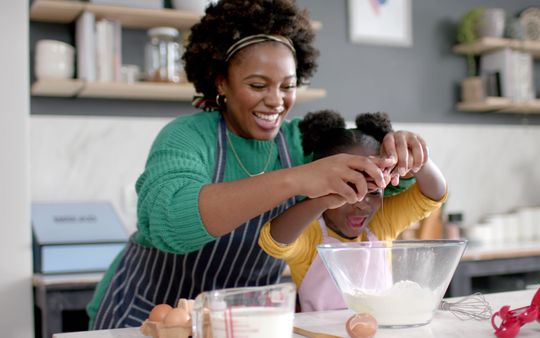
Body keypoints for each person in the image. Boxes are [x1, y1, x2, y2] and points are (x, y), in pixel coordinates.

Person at [87, 0, 419, 329]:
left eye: (287, 86)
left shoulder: (300, 141)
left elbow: (390, 181)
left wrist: (397, 152)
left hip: (242, 321)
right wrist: (296, 180)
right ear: (221, 83)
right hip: (146, 315)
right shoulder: (186, 137)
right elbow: (169, 222)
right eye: (258, 85)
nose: (276, 100)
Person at [258, 110, 448, 312]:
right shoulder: (311, 237)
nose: (361, 203)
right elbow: (274, 240)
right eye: (350, 187)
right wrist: (323, 200)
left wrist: (416, 156)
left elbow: (434, 195)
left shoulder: (381, 224)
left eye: (374, 191)